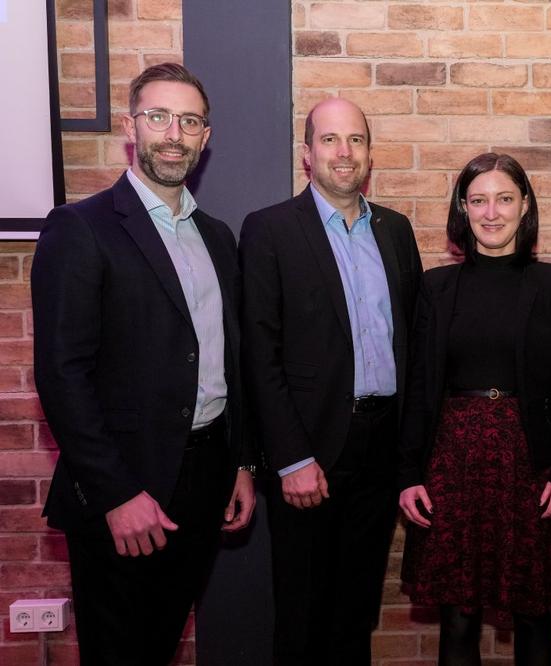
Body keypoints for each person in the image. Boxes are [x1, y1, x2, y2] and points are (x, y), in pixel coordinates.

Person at [31, 63, 256, 666]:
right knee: (120, 653)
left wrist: (240, 463)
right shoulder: (81, 228)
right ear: (131, 128)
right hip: (127, 484)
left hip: (206, 476)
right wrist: (116, 494)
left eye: (190, 121)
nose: (174, 134)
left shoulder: (217, 237)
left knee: (161, 642)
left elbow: (229, 362)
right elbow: (61, 375)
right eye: (159, 117)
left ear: (206, 137)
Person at [240, 97, 422, 664]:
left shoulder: (395, 230)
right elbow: (259, 354)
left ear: (369, 153)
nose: (344, 152)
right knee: (303, 614)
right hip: (310, 450)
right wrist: (290, 457)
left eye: (356, 140)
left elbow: (412, 342)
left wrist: (410, 454)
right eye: (329, 139)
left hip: (380, 448)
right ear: (307, 153)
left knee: (356, 611)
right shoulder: (270, 230)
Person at [398, 152, 551, 666]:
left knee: (532, 611)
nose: (491, 212)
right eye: (478, 200)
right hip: (452, 465)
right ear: (463, 208)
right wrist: (409, 474)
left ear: (524, 206)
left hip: (530, 465)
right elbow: (419, 387)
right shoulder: (436, 288)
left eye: (504, 199)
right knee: (458, 615)